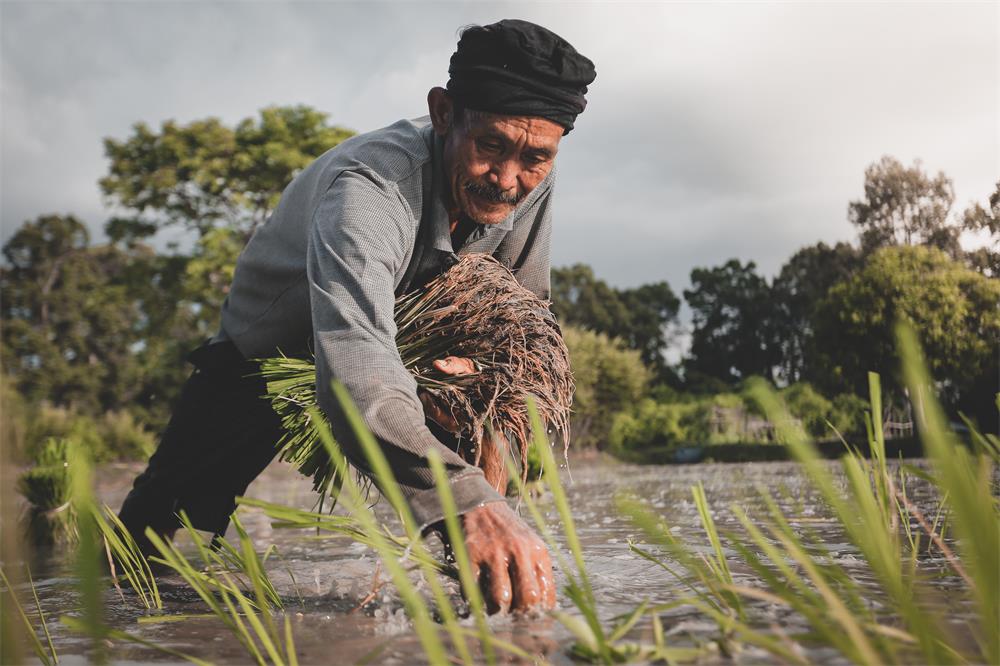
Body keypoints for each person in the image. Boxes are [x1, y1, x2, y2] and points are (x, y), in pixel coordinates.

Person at [117, 19, 596, 614]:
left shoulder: (529, 181)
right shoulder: (371, 190)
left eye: (535, 157)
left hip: (412, 347)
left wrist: (480, 377)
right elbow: (358, 369)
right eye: (491, 146)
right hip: (271, 352)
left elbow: (523, 317)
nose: (506, 180)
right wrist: (465, 499)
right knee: (162, 531)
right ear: (444, 113)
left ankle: (474, 608)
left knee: (484, 460)